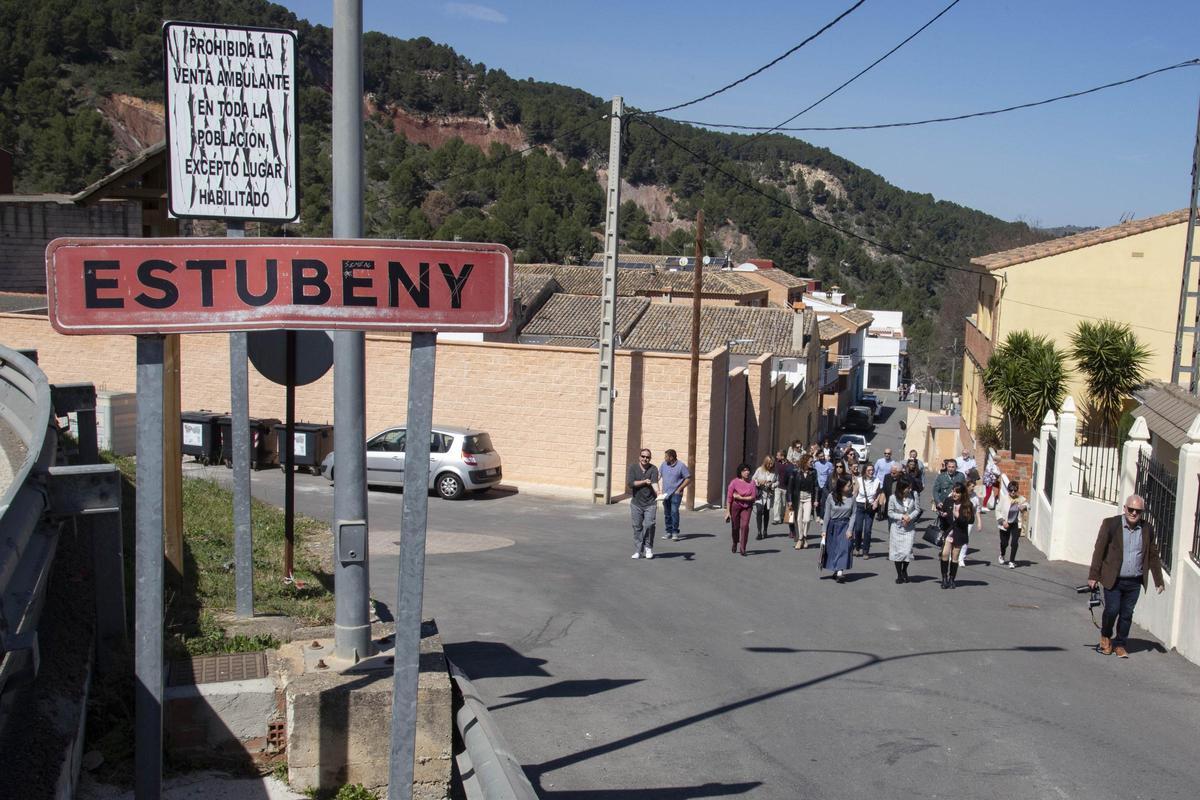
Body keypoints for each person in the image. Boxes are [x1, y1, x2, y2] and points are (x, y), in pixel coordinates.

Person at [1087, 495, 1165, 657]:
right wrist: (1093, 575)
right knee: (1112, 610)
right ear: (1125, 508)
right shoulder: (1111, 524)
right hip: (1113, 579)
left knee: (1127, 614)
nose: (1134, 513)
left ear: (1142, 512)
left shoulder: (1147, 529)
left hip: (1134, 581)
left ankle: (1120, 644)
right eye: (1131, 509)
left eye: (1138, 511)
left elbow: (1153, 556)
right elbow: (1099, 550)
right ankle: (1106, 636)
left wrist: (1158, 580)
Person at [821, 476, 855, 583]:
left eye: (851, 485)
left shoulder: (852, 497)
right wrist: (824, 531)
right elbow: (826, 515)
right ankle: (836, 570)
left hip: (845, 525)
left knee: (844, 547)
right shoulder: (831, 497)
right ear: (841, 486)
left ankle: (840, 572)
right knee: (834, 550)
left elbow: (854, 514)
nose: (850, 487)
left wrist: (850, 529)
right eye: (848, 485)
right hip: (833, 526)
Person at [939, 484, 973, 589]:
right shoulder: (948, 501)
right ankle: (944, 579)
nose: (954, 494)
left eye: (957, 492)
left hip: (959, 534)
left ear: (962, 494)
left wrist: (958, 515)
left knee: (955, 557)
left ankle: (952, 579)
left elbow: (970, 520)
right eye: (953, 491)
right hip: (949, 532)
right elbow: (943, 514)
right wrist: (942, 514)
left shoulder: (967, 505)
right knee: (944, 554)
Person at [888, 478, 922, 583]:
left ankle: (904, 570)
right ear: (902, 488)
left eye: (910, 487)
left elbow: (917, 509)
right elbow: (890, 512)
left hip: (909, 528)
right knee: (898, 552)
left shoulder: (914, 495)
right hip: (897, 528)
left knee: (907, 552)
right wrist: (902, 516)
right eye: (908, 487)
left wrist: (910, 517)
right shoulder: (893, 498)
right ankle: (899, 575)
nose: (910, 489)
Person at [627, 449, 659, 559]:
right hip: (636, 503)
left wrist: (658, 492)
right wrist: (644, 481)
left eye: (648, 457)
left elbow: (654, 482)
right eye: (643, 456)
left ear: (650, 458)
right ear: (639, 457)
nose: (645, 459)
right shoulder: (633, 467)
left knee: (650, 524)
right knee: (637, 527)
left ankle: (648, 548)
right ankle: (638, 551)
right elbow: (631, 483)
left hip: (651, 503)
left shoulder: (653, 469)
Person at [657, 449, 691, 542]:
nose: (664, 458)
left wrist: (679, 489)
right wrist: (656, 486)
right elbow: (659, 475)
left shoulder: (681, 466)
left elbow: (688, 478)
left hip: (676, 494)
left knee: (674, 512)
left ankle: (675, 532)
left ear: (671, 457)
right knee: (667, 513)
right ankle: (669, 532)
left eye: (666, 456)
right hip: (665, 494)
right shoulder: (664, 464)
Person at [995, 480, 1029, 568]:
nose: (1013, 492)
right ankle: (1002, 554)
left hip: (1016, 524)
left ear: (1017, 490)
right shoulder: (1004, 498)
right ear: (1008, 490)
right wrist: (1002, 521)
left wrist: (1024, 506)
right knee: (1004, 543)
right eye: (1011, 490)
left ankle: (1012, 561)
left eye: (1015, 490)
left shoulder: (1020, 499)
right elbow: (997, 510)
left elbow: (1028, 505)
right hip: (1005, 523)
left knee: (1014, 543)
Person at [787, 453, 818, 549]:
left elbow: (816, 486)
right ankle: (801, 539)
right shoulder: (795, 471)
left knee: (807, 519)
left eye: (812, 462)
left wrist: (816, 499)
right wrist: (790, 500)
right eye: (810, 462)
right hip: (798, 497)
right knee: (798, 519)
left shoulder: (813, 472)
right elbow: (790, 487)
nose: (812, 463)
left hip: (809, 497)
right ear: (805, 461)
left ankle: (804, 536)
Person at [725, 463, 757, 556]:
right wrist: (727, 512)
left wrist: (740, 497)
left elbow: (753, 497)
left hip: (747, 507)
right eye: (744, 470)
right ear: (740, 472)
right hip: (735, 506)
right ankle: (735, 542)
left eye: (748, 470)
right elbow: (729, 498)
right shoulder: (734, 482)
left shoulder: (752, 483)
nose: (747, 472)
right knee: (735, 527)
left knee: (745, 526)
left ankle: (743, 548)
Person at [852, 463, 883, 558]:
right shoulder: (859, 480)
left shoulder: (877, 481)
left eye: (872, 470)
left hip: (870, 507)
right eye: (869, 470)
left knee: (867, 530)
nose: (871, 472)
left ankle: (866, 551)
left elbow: (879, 493)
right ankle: (857, 547)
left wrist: (876, 501)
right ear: (865, 471)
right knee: (858, 529)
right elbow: (855, 493)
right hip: (859, 506)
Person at [752, 456, 778, 540]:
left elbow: (778, 481)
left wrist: (772, 485)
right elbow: (753, 479)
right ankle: (759, 532)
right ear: (765, 462)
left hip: (769, 494)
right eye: (769, 463)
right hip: (760, 494)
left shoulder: (774, 472)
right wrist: (759, 482)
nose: (770, 465)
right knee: (759, 511)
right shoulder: (759, 470)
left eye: (772, 464)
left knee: (766, 512)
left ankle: (765, 530)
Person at [960, 478, 981, 567]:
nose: (973, 488)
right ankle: (953, 555)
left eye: (974, 487)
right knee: (956, 537)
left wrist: (979, 522)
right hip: (959, 520)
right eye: (972, 486)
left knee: (965, 539)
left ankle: (961, 558)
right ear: (967, 486)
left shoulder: (975, 496)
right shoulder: (960, 494)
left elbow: (977, 510)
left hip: (969, 521)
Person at [771, 450, 792, 525]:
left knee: (783, 504)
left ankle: (782, 516)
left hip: (786, 487)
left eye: (778, 455)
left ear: (782, 456)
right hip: (778, 486)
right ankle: (776, 519)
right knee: (776, 502)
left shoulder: (789, 464)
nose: (776, 457)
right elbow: (774, 473)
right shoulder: (776, 463)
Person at [813, 450, 834, 520]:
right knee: (817, 500)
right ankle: (818, 515)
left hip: (825, 485)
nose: (822, 457)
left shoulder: (829, 464)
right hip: (818, 484)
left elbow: (831, 474)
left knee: (823, 501)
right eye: (820, 456)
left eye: (823, 456)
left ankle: (822, 516)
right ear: (818, 457)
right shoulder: (816, 464)